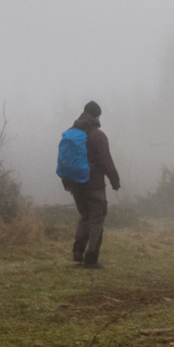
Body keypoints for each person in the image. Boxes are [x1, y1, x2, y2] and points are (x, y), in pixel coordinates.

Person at [63, 100, 120, 268]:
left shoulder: (71, 134)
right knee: (96, 220)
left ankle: (78, 251)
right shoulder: (98, 136)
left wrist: (67, 182)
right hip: (94, 185)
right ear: (96, 115)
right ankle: (91, 258)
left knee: (85, 217)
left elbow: (65, 160)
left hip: (76, 184)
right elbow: (106, 162)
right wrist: (115, 182)